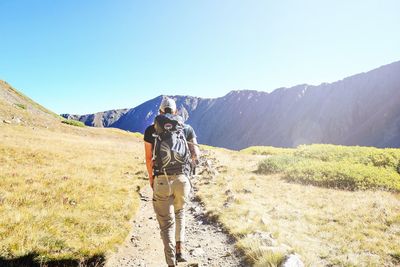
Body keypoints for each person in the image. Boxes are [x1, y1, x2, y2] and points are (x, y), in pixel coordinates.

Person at [144, 97, 200, 267]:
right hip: (182, 180)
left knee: (166, 223)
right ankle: (180, 249)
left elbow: (148, 158)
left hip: (162, 179)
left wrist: (152, 179)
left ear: (160, 112)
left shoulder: (151, 130)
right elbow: (195, 155)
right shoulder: (186, 128)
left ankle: (171, 263)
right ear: (176, 112)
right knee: (180, 212)